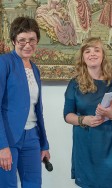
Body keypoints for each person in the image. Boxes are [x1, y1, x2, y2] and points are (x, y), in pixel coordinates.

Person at [64, 37, 112, 188]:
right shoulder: (75, 83)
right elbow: (67, 115)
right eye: (87, 51)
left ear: (103, 55)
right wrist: (83, 120)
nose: (92, 54)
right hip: (85, 144)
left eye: (96, 50)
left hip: (110, 145)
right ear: (83, 57)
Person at [0, 17, 50, 188]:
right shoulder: (4, 63)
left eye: (32, 40)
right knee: (7, 185)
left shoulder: (35, 68)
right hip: (9, 137)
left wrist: (44, 143)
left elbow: (38, 109)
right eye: (22, 40)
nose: (27, 45)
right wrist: (2, 146)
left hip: (32, 137)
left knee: (33, 184)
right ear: (14, 40)